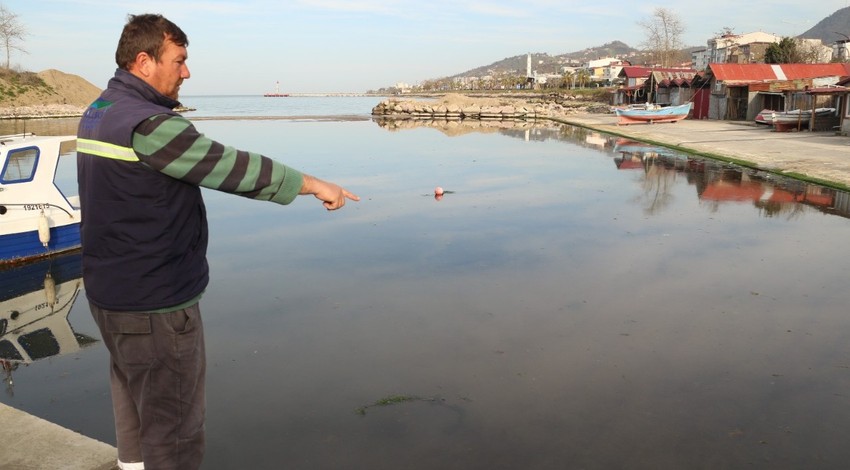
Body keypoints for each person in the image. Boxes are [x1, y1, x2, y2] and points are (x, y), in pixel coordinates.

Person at [76, 13, 359, 470]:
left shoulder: (100, 110)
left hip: (109, 294)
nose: (186, 72)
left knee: (133, 405)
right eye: (180, 61)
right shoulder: (149, 125)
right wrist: (313, 184)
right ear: (144, 61)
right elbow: (231, 167)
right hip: (156, 302)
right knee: (174, 428)